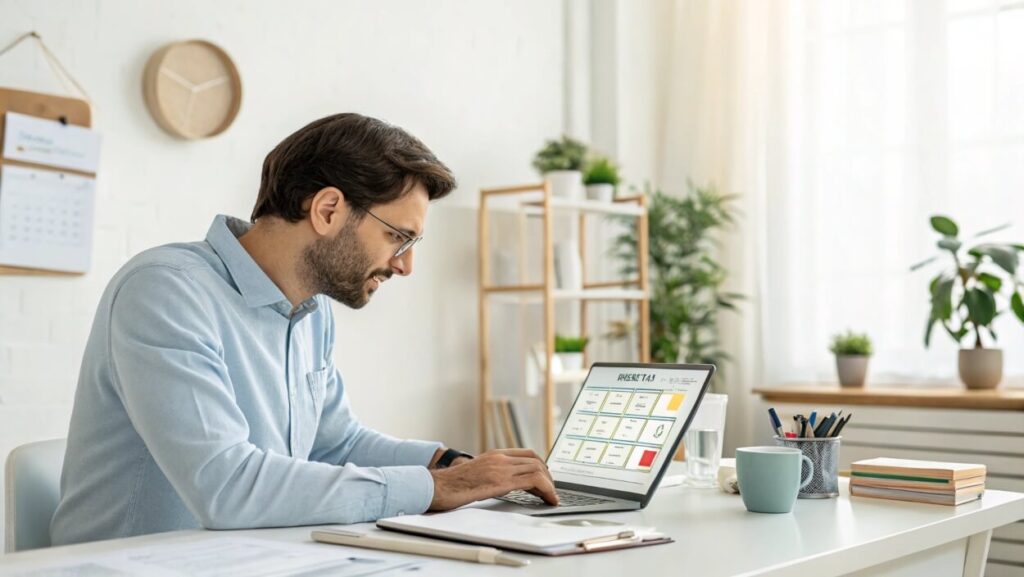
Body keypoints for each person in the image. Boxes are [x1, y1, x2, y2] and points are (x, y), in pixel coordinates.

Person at [50, 113, 557, 546]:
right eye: (398, 238)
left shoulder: (310, 312)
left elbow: (335, 444)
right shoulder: (166, 291)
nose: (405, 266)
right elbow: (225, 486)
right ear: (327, 209)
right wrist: (438, 489)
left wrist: (452, 464)